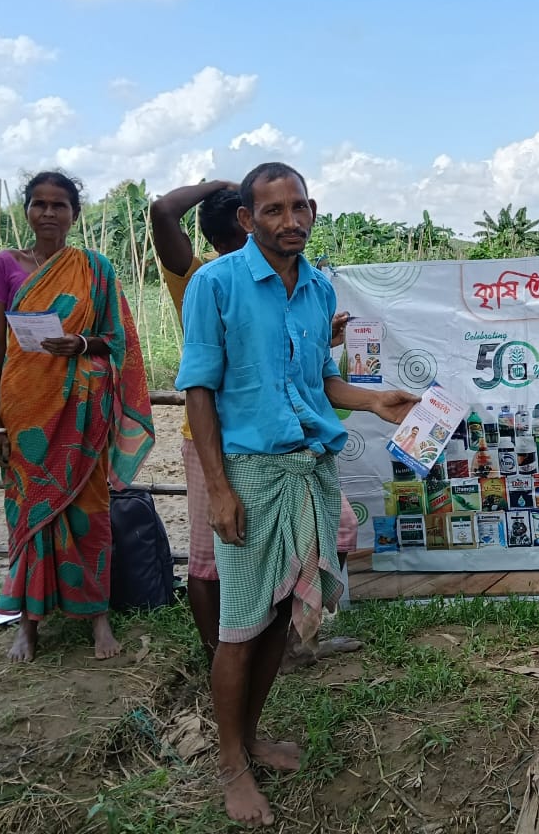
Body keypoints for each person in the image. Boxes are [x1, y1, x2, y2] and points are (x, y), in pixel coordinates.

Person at [176, 162, 418, 825]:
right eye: (274, 210)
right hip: (250, 474)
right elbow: (198, 390)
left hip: (310, 468)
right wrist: (219, 490)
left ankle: (252, 738)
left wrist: (375, 400)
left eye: (299, 207)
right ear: (247, 219)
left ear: (312, 210)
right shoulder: (216, 284)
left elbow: (319, 382)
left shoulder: (316, 289)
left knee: (280, 613)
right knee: (239, 626)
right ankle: (231, 764)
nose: (291, 221)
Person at [150, 179, 362, 672]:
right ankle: (225, 658)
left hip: (286, 444)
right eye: (263, 219)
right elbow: (162, 211)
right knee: (211, 559)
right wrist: (223, 184)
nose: (282, 229)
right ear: (245, 228)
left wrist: (315, 339)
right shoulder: (204, 279)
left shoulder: (303, 285)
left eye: (296, 210)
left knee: (337, 530)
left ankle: (288, 643)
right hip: (220, 443)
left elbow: (299, 364)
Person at [0, 171, 154, 663]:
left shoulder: (95, 268)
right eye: (39, 204)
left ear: (74, 214)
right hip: (25, 412)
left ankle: (98, 618)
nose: (48, 213)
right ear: (26, 211)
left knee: (88, 510)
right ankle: (28, 625)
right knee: (29, 513)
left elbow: (116, 340)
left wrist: (79, 343)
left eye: (59, 205)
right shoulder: (4, 265)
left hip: (81, 416)